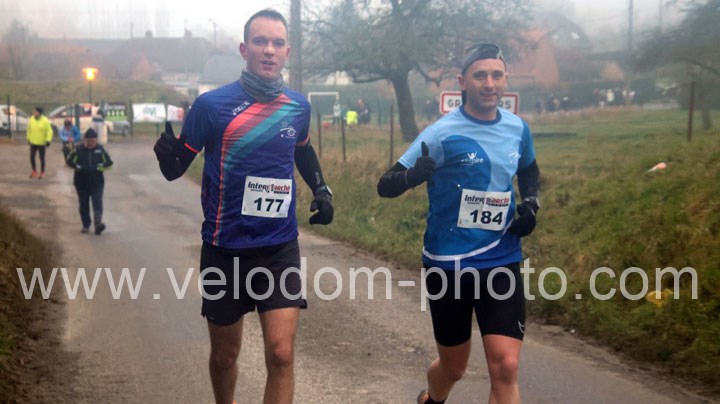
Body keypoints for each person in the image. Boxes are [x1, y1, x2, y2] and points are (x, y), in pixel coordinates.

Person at [153, 8, 333, 404]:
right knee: (225, 355)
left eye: (277, 43)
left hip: (278, 248)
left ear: (287, 52)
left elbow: (302, 149)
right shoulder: (211, 106)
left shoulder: (298, 106)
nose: (269, 50)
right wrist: (167, 157)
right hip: (225, 248)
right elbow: (176, 168)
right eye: (260, 41)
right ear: (244, 48)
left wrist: (322, 189)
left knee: (281, 354)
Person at [377, 43, 540, 404]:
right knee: (453, 368)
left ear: (506, 80)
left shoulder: (517, 128)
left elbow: (529, 170)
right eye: (480, 75)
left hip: (501, 258)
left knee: (506, 367)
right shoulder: (440, 133)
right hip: (448, 263)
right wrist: (413, 176)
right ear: (462, 82)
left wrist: (531, 204)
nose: (489, 83)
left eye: (496, 75)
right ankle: (433, 399)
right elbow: (385, 185)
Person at [66, 128, 113, 234]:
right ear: (84, 140)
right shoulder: (78, 149)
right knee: (84, 204)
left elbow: (109, 163)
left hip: (97, 183)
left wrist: (99, 167)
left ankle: (98, 224)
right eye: (88, 141)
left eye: (93, 141)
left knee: (97, 203)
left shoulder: (100, 149)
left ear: (96, 140)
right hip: (81, 183)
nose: (90, 143)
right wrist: (78, 167)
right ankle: (86, 225)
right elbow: (69, 161)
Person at [26, 106, 53, 179]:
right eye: (33, 112)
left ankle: (42, 172)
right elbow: (29, 129)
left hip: (42, 143)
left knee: (42, 158)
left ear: (39, 113)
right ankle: (34, 171)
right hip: (33, 142)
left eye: (35, 112)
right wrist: (28, 138)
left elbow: (49, 131)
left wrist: (48, 140)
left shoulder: (45, 120)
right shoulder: (31, 119)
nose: (34, 113)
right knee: (32, 157)